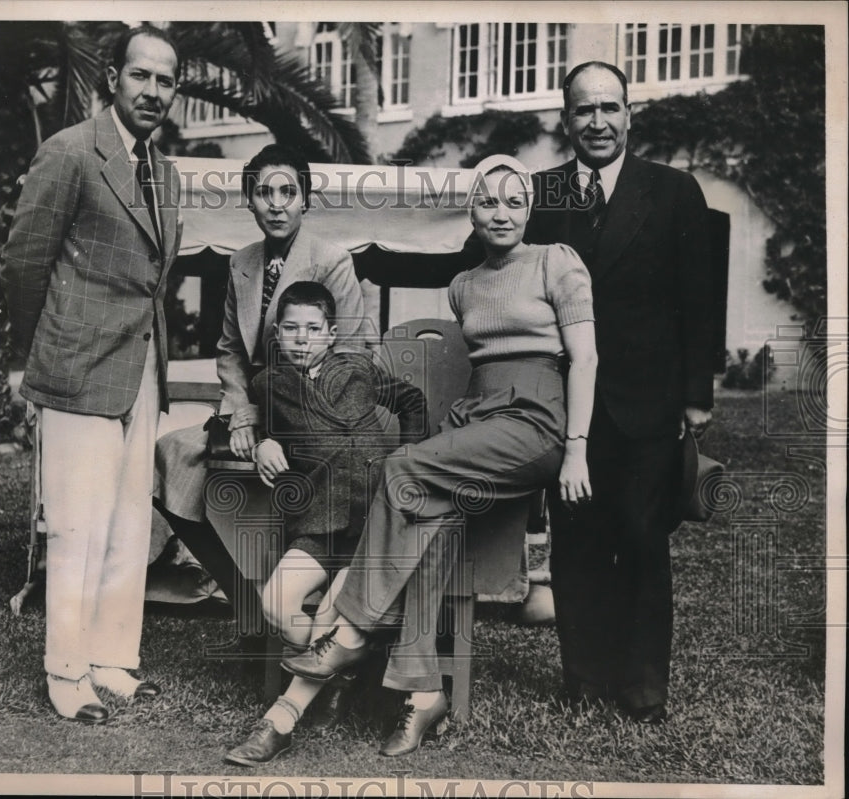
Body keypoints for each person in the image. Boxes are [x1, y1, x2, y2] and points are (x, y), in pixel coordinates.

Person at [282, 155, 598, 756]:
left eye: (513, 201)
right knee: (433, 515)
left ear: (528, 209)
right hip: (478, 415)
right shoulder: (463, 285)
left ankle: (350, 630)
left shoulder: (557, 261)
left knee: (403, 468)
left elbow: (584, 359)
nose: (500, 213)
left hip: (536, 419)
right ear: (471, 212)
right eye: (487, 201)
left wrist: (576, 449)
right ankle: (423, 691)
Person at [522, 61, 715, 724]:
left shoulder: (672, 192)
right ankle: (584, 678)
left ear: (630, 113)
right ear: (566, 119)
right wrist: (371, 253)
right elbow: (477, 251)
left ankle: (642, 687)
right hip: (562, 404)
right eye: (584, 110)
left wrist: (695, 396)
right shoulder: (540, 195)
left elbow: (700, 300)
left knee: (639, 536)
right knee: (574, 542)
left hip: (647, 402)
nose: (597, 122)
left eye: (610, 108)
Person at [1, 26, 183, 723]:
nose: (153, 93)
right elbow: (24, 263)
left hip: (140, 369)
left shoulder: (164, 172)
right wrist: (28, 361)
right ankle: (67, 670)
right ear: (112, 77)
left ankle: (111, 658)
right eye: (141, 76)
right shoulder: (71, 152)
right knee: (77, 524)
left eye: (166, 81)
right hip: (76, 367)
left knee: (130, 520)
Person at [153, 144, 377, 603]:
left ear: (305, 200)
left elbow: (351, 356)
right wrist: (242, 415)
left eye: (288, 192)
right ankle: (243, 597)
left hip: (315, 412)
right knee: (169, 456)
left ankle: (297, 596)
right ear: (249, 200)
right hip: (252, 406)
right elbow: (231, 350)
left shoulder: (333, 261)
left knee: (281, 480)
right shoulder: (242, 262)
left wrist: (267, 423)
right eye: (264, 192)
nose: (276, 203)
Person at [224, 281, 427, 766]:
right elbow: (268, 429)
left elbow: (413, 401)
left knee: (330, 616)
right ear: (277, 334)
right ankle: (336, 677)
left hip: (373, 525)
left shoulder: (357, 370)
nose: (301, 338)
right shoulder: (267, 385)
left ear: (331, 334)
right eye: (290, 329)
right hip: (318, 523)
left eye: (312, 329)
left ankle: (280, 721)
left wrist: (407, 457)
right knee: (276, 602)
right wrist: (263, 443)